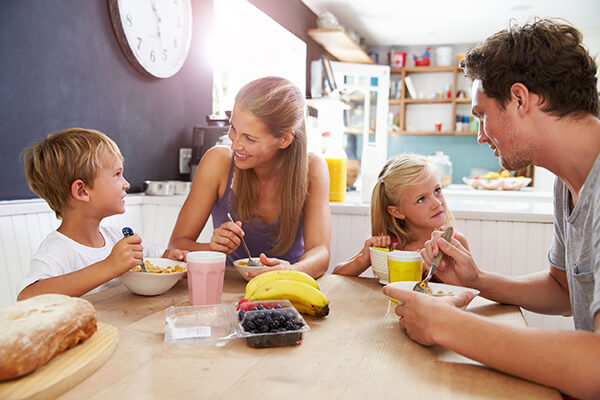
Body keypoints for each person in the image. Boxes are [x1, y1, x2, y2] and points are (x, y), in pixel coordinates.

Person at [383, 19, 600, 399]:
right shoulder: (567, 183)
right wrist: (478, 281)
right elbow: (564, 290)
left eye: (481, 114)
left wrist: (449, 326)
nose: (480, 134)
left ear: (520, 99)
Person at [169, 76, 331, 279]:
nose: (235, 144)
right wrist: (212, 248)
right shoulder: (218, 162)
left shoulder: (313, 169)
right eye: (233, 128)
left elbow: (321, 253)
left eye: (250, 138)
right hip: (225, 287)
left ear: (284, 139)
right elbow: (177, 244)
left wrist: (291, 271)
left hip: (288, 286)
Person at [17, 128, 185, 300]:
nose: (126, 184)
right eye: (117, 174)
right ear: (82, 191)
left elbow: (159, 257)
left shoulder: (116, 237)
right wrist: (108, 267)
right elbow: (27, 297)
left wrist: (171, 257)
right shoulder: (58, 249)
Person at [333, 154, 468, 276]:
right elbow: (337, 275)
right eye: (421, 199)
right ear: (398, 212)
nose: (437, 203)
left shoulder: (454, 242)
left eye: (437, 190)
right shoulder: (389, 246)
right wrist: (363, 258)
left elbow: (470, 285)